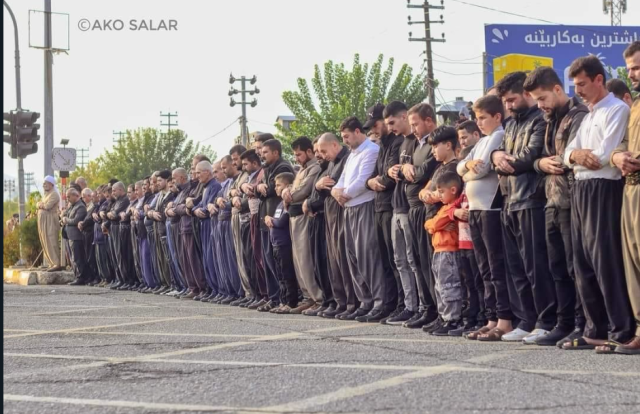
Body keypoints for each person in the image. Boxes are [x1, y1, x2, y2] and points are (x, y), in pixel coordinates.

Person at [562, 55, 634, 351]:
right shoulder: (588, 114)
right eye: (574, 85)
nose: (577, 90)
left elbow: (604, 156)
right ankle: (595, 328)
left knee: (606, 260)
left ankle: (621, 329)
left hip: (604, 188)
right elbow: (569, 153)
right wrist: (576, 157)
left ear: (598, 80)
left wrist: (578, 158)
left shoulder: (616, 109)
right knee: (583, 262)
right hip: (580, 189)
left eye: (582, 84)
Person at [523, 66, 589, 346]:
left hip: (573, 201)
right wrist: (540, 163)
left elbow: (575, 155)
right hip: (550, 200)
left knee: (577, 268)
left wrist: (554, 161)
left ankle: (584, 324)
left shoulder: (580, 115)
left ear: (558, 90)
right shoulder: (549, 118)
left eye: (542, 98)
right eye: (537, 101)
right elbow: (536, 157)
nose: (540, 105)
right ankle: (564, 324)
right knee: (557, 267)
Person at [491, 71, 557, 343]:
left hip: (531, 200)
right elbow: (502, 155)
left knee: (536, 266)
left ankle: (545, 320)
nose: (508, 105)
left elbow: (530, 156)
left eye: (512, 100)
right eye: (505, 101)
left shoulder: (540, 120)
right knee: (516, 268)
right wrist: (497, 156)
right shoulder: (511, 125)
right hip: (509, 201)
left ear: (527, 95)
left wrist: (504, 161)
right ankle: (526, 319)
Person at [458, 95, 511, 341]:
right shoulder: (481, 142)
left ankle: (504, 319)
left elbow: (480, 169)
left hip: (490, 208)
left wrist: (468, 171)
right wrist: (468, 170)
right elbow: (462, 167)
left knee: (495, 266)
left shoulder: (499, 136)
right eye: (476, 118)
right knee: (484, 268)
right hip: (476, 210)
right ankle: (491, 318)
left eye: (482, 118)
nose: (478, 123)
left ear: (497, 117)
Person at [332, 116, 387, 321]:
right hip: (348, 208)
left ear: (357, 132)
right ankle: (364, 300)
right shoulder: (352, 154)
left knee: (368, 256)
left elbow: (362, 181)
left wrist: (342, 193)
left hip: (364, 205)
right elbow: (341, 181)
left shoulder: (371, 150)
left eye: (347, 136)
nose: (345, 141)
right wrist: (336, 192)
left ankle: (378, 301)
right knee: (353, 256)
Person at [383, 101, 431, 326]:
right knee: (400, 260)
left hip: (414, 207)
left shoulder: (423, 142)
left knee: (415, 260)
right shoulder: (406, 142)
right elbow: (396, 169)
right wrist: (398, 169)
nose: (391, 127)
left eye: (393, 122)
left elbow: (418, 172)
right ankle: (410, 306)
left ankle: (424, 306)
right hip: (398, 206)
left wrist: (401, 170)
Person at [611, 40, 640, 355]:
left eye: (637, 67)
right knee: (632, 261)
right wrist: (618, 157)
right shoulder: (635, 107)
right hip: (630, 189)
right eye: (630, 68)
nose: (632, 73)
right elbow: (622, 143)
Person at [418, 126, 462, 333]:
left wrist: (431, 195)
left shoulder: (454, 168)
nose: (434, 150)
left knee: (449, 279)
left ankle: (451, 317)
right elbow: (424, 191)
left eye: (436, 146)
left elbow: (443, 195)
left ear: (448, 145)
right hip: (433, 224)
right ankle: (441, 313)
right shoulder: (437, 168)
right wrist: (428, 194)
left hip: (445, 227)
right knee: (436, 276)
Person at [364, 103, 404, 320]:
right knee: (386, 261)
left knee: (397, 260)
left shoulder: (398, 142)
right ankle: (390, 303)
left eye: (377, 124)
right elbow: (371, 177)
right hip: (379, 207)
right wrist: (373, 181)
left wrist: (377, 180)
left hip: (391, 206)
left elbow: (389, 178)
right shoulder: (383, 145)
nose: (374, 130)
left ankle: (401, 303)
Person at [281, 137, 324, 315]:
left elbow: (303, 191)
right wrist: (287, 192)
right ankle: (307, 296)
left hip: (304, 217)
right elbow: (292, 189)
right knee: (298, 260)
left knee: (306, 258)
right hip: (294, 217)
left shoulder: (315, 167)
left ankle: (317, 298)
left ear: (309, 151)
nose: (297, 158)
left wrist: (287, 193)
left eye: (299, 154)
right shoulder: (302, 170)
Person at [316, 133, 357, 319]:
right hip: (330, 215)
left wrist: (324, 186)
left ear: (334, 145)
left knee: (343, 259)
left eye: (324, 151)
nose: (323, 155)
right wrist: (318, 185)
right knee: (333, 261)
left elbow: (336, 187)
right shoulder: (330, 164)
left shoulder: (346, 159)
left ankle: (351, 303)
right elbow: (321, 189)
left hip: (341, 213)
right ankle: (340, 302)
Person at [256, 139, 296, 312]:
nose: (261, 155)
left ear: (275, 152)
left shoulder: (283, 167)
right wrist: (259, 187)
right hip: (268, 222)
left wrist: (264, 188)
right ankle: (274, 298)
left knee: (281, 267)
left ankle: (284, 299)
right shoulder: (267, 170)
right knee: (269, 264)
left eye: (265, 152)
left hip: (277, 223)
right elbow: (262, 191)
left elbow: (270, 191)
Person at [425, 172, 465, 335]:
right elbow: (429, 224)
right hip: (439, 252)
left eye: (442, 191)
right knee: (439, 286)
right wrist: (438, 225)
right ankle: (443, 316)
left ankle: (452, 318)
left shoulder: (454, 208)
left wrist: (444, 220)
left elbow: (437, 222)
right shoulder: (445, 209)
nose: (439, 195)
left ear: (453, 190)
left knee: (449, 286)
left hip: (449, 252)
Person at [304, 137, 336, 316]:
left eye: (321, 151)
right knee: (317, 262)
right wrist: (309, 200)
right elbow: (313, 193)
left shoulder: (328, 168)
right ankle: (325, 299)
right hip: (315, 218)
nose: (318, 155)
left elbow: (324, 194)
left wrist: (310, 202)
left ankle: (331, 300)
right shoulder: (320, 170)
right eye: (316, 151)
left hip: (325, 217)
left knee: (326, 262)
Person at [264, 172, 299, 313]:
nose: (276, 188)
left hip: (284, 244)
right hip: (275, 244)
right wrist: (271, 219)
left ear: (288, 186)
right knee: (280, 275)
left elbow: (282, 221)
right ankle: (282, 300)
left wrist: (270, 220)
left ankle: (291, 302)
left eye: (279, 185)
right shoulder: (279, 204)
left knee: (287, 274)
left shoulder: (286, 203)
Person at [240, 149, 269, 309]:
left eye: (246, 164)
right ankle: (259, 294)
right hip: (252, 217)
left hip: (259, 216)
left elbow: (259, 190)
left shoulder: (262, 173)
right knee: (253, 258)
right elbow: (241, 190)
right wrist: (243, 186)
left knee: (261, 257)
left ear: (255, 163)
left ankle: (266, 294)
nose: (243, 167)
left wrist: (252, 188)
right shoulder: (248, 177)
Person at [214, 156, 245, 303]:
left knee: (234, 258)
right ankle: (229, 291)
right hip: (223, 223)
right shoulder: (229, 183)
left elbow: (233, 202)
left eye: (224, 167)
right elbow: (220, 198)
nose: (223, 170)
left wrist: (223, 202)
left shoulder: (239, 180)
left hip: (230, 221)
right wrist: (217, 200)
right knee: (223, 260)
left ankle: (239, 292)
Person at [228, 145, 254, 305]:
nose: (235, 163)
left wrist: (239, 199)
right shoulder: (239, 177)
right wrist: (232, 195)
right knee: (240, 256)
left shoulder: (248, 175)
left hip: (245, 215)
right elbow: (231, 191)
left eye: (236, 159)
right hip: (237, 216)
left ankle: (251, 293)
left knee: (247, 257)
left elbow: (249, 195)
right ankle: (247, 292)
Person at [64, 189, 90, 285]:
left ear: (75, 196)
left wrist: (66, 220)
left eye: (69, 196)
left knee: (78, 258)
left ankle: (81, 277)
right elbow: (65, 214)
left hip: (77, 237)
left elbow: (75, 221)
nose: (68, 199)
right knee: (74, 258)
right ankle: (77, 276)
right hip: (71, 236)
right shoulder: (72, 206)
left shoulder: (80, 207)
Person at [37, 176, 62, 272]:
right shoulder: (45, 195)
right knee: (44, 241)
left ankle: (56, 263)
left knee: (51, 241)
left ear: (52, 184)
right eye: (43, 183)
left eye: (46, 183)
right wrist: (39, 204)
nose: (44, 185)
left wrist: (40, 205)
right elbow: (38, 204)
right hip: (43, 221)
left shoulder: (54, 194)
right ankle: (51, 263)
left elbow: (47, 206)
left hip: (50, 220)